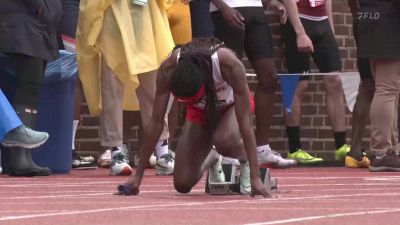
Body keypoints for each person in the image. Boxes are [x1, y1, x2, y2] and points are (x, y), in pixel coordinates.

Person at [118, 38, 276, 197]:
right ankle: (212, 158)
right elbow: (156, 122)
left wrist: (256, 178)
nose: (187, 102)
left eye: (193, 98)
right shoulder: (168, 69)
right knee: (182, 183)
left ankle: (245, 162)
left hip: (231, 106)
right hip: (199, 111)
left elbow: (245, 124)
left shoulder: (229, 65)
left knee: (224, 140)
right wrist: (137, 177)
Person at [77, 0, 175, 175]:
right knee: (112, 89)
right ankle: (116, 151)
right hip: (114, 19)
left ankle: (162, 150)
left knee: (152, 90)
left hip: (145, 21)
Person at [209, 0, 296, 168]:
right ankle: (226, 151)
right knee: (227, 79)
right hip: (226, 11)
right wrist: (222, 7)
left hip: (255, 11)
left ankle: (262, 149)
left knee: (269, 77)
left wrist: (270, 2)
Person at [280, 0, 349, 164]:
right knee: (298, 83)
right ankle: (295, 149)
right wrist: (300, 33)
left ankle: (341, 146)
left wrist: (330, 28)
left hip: (321, 22)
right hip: (298, 20)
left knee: (334, 80)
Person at [0, 0, 62, 176]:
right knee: (29, 83)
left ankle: (24, 156)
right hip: (22, 22)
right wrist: (40, 6)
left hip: (33, 23)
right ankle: (20, 156)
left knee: (31, 85)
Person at [357, 0, 400, 171]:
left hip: (370, 20)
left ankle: (391, 149)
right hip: (388, 23)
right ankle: (382, 151)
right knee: (387, 89)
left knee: (388, 89)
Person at [344, 0, 373, 168]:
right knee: (379, 86)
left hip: (369, 21)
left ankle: (355, 150)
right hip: (379, 24)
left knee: (369, 86)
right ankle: (385, 149)